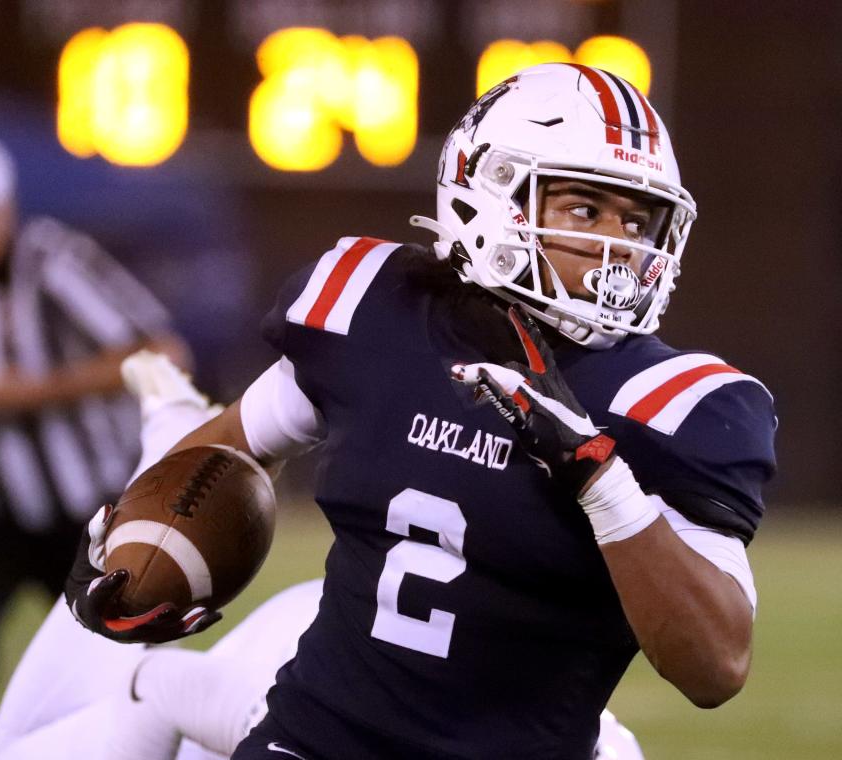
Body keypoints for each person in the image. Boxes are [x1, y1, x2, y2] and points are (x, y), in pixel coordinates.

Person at [67, 64, 777, 758]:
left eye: (637, 222)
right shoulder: (377, 308)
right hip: (313, 739)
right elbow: (233, 443)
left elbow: (715, 667)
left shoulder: (672, 402)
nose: (614, 249)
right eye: (584, 210)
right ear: (490, 193)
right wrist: (124, 543)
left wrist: (600, 478)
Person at [0, 350, 643, 760]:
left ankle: (170, 436)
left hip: (353, 645)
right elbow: (152, 689)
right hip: (318, 659)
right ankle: (171, 438)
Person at [0, 126, 186, 760]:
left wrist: (35, 390)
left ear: (6, 208)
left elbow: (162, 353)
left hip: (87, 510)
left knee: (121, 664)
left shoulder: (56, 265)